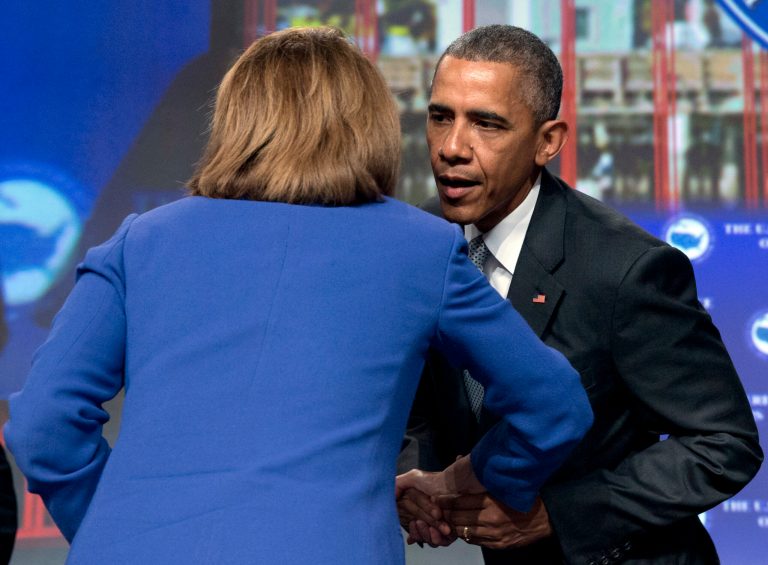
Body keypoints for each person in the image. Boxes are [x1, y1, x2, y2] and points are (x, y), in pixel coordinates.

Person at [5, 27, 592, 564]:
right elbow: (555, 404)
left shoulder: (141, 242)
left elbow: (41, 426)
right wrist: (482, 479)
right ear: (371, 124)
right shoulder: (421, 250)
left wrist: (115, 529)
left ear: (235, 119)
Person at [397, 24, 762, 565]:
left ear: (548, 141)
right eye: (440, 117)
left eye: (487, 124)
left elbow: (723, 445)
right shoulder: (418, 239)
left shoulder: (627, 269)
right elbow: (419, 399)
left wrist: (560, 514)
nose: (452, 148)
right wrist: (418, 479)